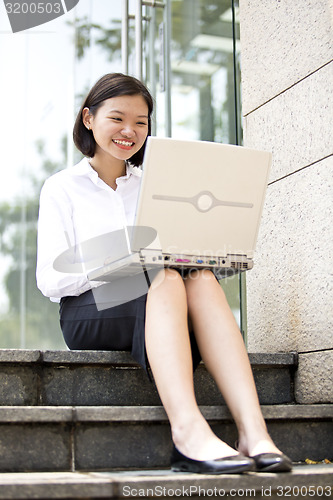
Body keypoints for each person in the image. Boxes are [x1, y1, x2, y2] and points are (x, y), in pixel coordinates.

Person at [36, 72, 292, 474]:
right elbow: (51, 278)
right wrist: (127, 256)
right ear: (88, 119)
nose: (129, 131)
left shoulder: (155, 184)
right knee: (165, 276)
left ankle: (254, 433)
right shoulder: (62, 187)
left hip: (164, 298)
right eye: (118, 118)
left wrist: (209, 254)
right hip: (89, 310)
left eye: (141, 122)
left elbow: (178, 259)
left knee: (199, 277)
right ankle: (188, 432)